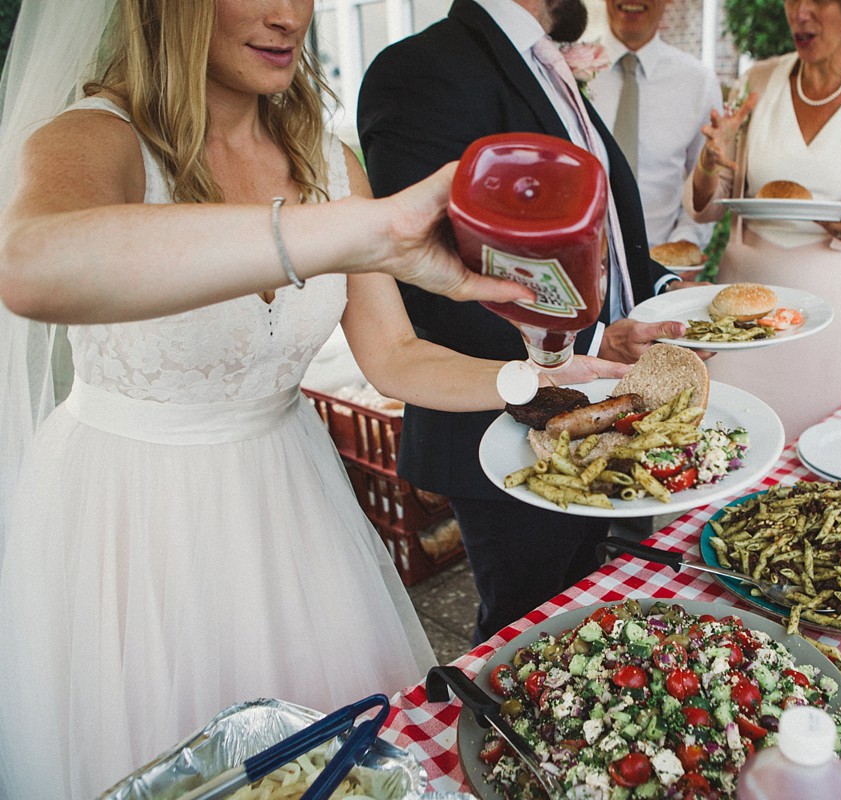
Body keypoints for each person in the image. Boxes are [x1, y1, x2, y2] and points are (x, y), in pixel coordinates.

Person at [0, 0, 625, 796]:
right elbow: (28, 265)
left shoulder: (326, 159)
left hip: (290, 506)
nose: (289, 14)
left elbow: (395, 356)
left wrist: (534, 383)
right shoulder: (95, 137)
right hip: (133, 526)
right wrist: (349, 233)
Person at [357, 0, 685, 645]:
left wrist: (664, 299)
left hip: (602, 404)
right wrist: (591, 342)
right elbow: (429, 283)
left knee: (595, 608)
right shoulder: (423, 70)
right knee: (527, 633)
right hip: (503, 428)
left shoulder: (544, 63)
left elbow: (601, 228)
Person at [684, 0, 841, 440]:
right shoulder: (756, 80)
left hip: (836, 318)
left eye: (818, 0)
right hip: (742, 316)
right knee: (728, 443)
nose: (800, 13)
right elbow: (710, 203)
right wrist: (708, 162)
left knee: (816, 466)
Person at [588, 0, 724, 251]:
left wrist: (684, 244)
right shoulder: (564, 71)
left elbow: (705, 186)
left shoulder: (698, 83)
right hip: (574, 265)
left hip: (658, 269)